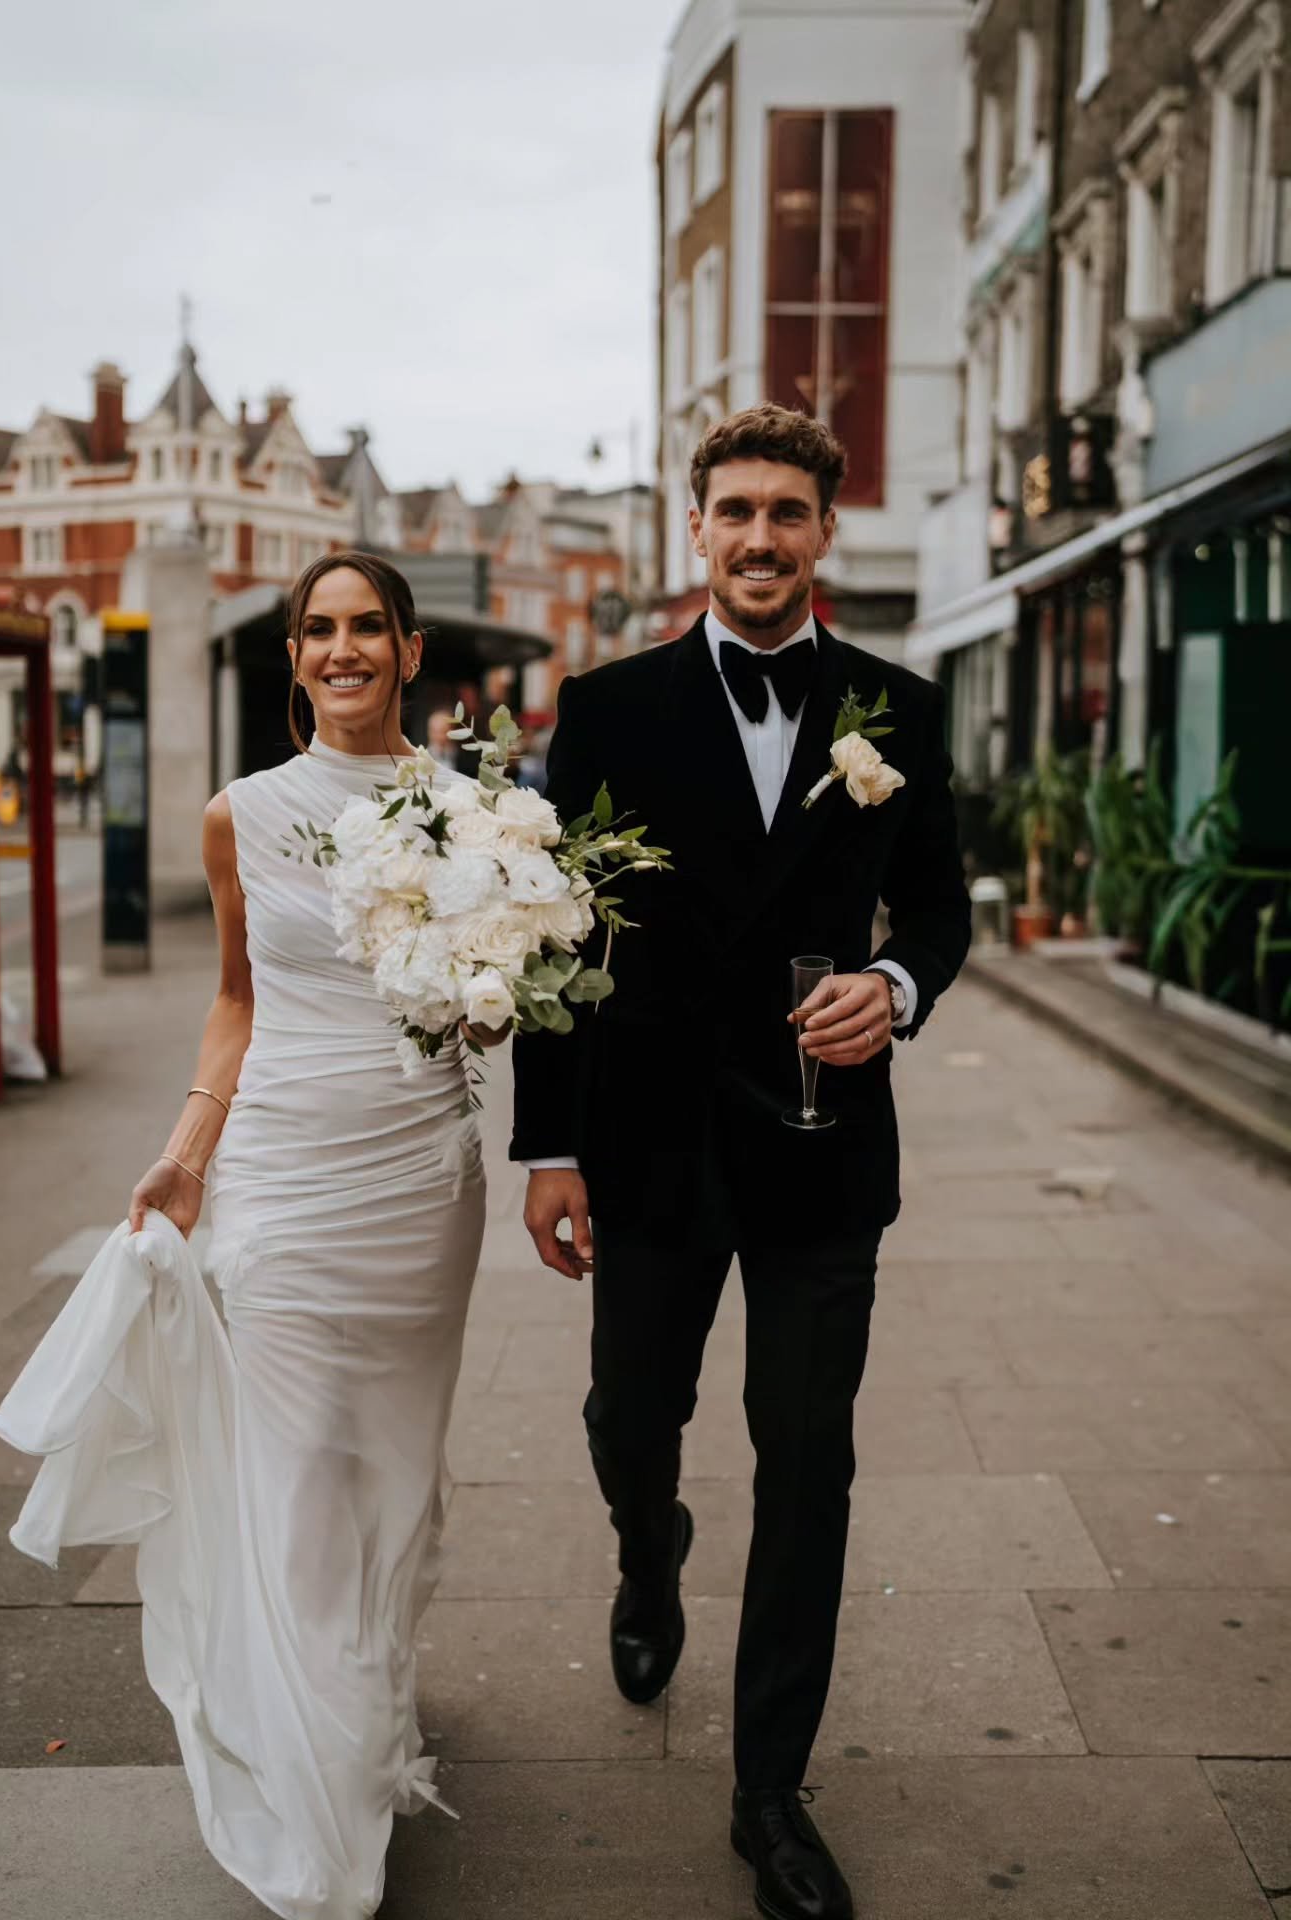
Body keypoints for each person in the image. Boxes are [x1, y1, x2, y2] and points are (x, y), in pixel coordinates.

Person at [511, 407, 970, 1920]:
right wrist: (551, 1144)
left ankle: (770, 1789)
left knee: (809, 1456)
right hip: (645, 1141)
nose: (761, 538)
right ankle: (650, 1552)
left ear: (824, 532)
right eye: (735, 513)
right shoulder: (607, 705)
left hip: (822, 1151)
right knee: (630, 1417)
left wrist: (893, 996)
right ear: (694, 530)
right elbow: (554, 937)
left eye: (789, 512)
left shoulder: (898, 710)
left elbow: (942, 916)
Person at [0, 554, 494, 1920]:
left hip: (417, 1182)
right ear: (293, 654)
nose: (342, 650)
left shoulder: (478, 813)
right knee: (292, 1481)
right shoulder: (239, 817)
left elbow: (496, 1007)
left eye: (365, 628)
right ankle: (315, 1778)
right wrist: (186, 1153)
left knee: (391, 1466)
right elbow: (235, 1000)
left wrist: (500, 993)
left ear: (408, 647)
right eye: (318, 630)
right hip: (278, 1181)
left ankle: (371, 1685)